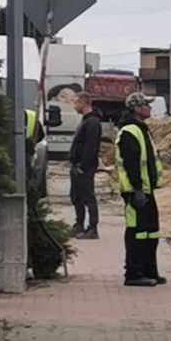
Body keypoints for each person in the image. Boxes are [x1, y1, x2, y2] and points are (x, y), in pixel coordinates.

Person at [116, 91, 166, 287]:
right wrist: (137, 190)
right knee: (137, 232)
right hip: (136, 192)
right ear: (137, 109)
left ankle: (149, 270)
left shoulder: (141, 129)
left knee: (151, 232)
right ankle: (134, 274)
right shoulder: (130, 131)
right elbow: (132, 164)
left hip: (145, 191)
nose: (150, 108)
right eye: (146, 105)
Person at [67, 92, 103, 239]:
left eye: (76, 102)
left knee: (88, 196)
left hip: (85, 167)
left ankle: (93, 228)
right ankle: (79, 225)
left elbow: (90, 147)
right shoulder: (85, 121)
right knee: (76, 196)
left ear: (83, 103)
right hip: (77, 166)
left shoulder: (93, 122)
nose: (74, 106)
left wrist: (82, 165)